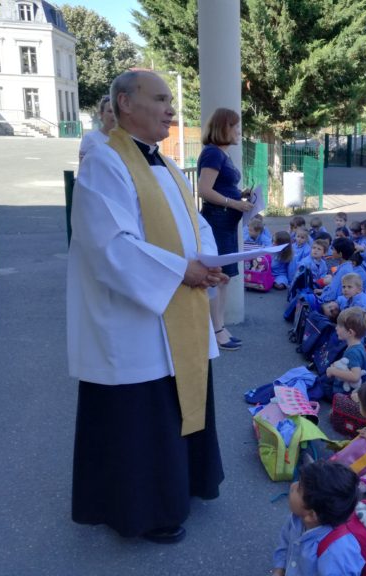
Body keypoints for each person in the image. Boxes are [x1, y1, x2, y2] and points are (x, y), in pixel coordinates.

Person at [68, 70, 224, 543]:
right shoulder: (104, 161)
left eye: (170, 100)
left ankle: (188, 485)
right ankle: (147, 511)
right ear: (124, 104)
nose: (170, 110)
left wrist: (212, 262)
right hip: (134, 322)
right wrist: (180, 270)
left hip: (178, 309)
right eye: (159, 99)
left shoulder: (166, 164)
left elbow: (194, 225)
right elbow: (109, 244)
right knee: (144, 417)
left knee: (177, 403)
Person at [196, 108, 254, 349]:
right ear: (223, 128)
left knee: (224, 278)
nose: (239, 131)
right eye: (235, 126)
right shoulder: (213, 154)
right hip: (218, 221)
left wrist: (239, 195)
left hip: (225, 221)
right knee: (218, 277)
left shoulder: (219, 154)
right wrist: (234, 203)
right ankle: (216, 330)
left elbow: (218, 188)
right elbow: (205, 190)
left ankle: (218, 326)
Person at [271, 461, 363, 576]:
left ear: (311, 515)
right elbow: (285, 544)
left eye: (299, 489)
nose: (292, 485)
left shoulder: (336, 554)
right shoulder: (297, 519)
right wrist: (279, 569)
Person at [78, 94, 116, 165]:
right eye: (110, 111)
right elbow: (83, 168)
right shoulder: (90, 138)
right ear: (101, 114)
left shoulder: (128, 139)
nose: (114, 114)